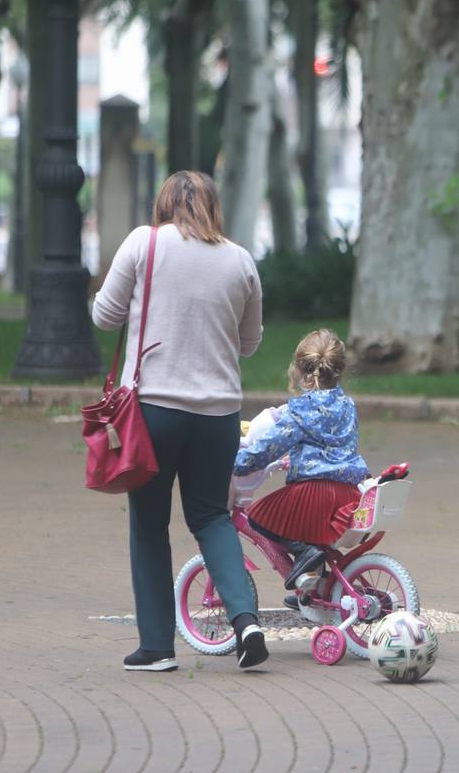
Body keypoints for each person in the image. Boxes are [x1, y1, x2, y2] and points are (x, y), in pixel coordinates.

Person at [92, 170, 268, 672]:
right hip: (218, 416)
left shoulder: (143, 244)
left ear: (164, 203)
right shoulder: (240, 260)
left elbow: (104, 317)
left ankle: (156, 647)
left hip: (152, 412)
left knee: (149, 523)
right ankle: (246, 621)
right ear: (213, 205)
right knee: (211, 516)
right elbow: (250, 343)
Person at [233, 329, 370, 602]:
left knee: (260, 517)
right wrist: (293, 460)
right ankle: (314, 589)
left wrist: (238, 463)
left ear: (298, 370)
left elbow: (267, 447)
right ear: (339, 370)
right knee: (312, 532)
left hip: (314, 494)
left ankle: (303, 552)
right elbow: (328, 447)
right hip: (349, 492)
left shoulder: (300, 409)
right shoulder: (347, 405)